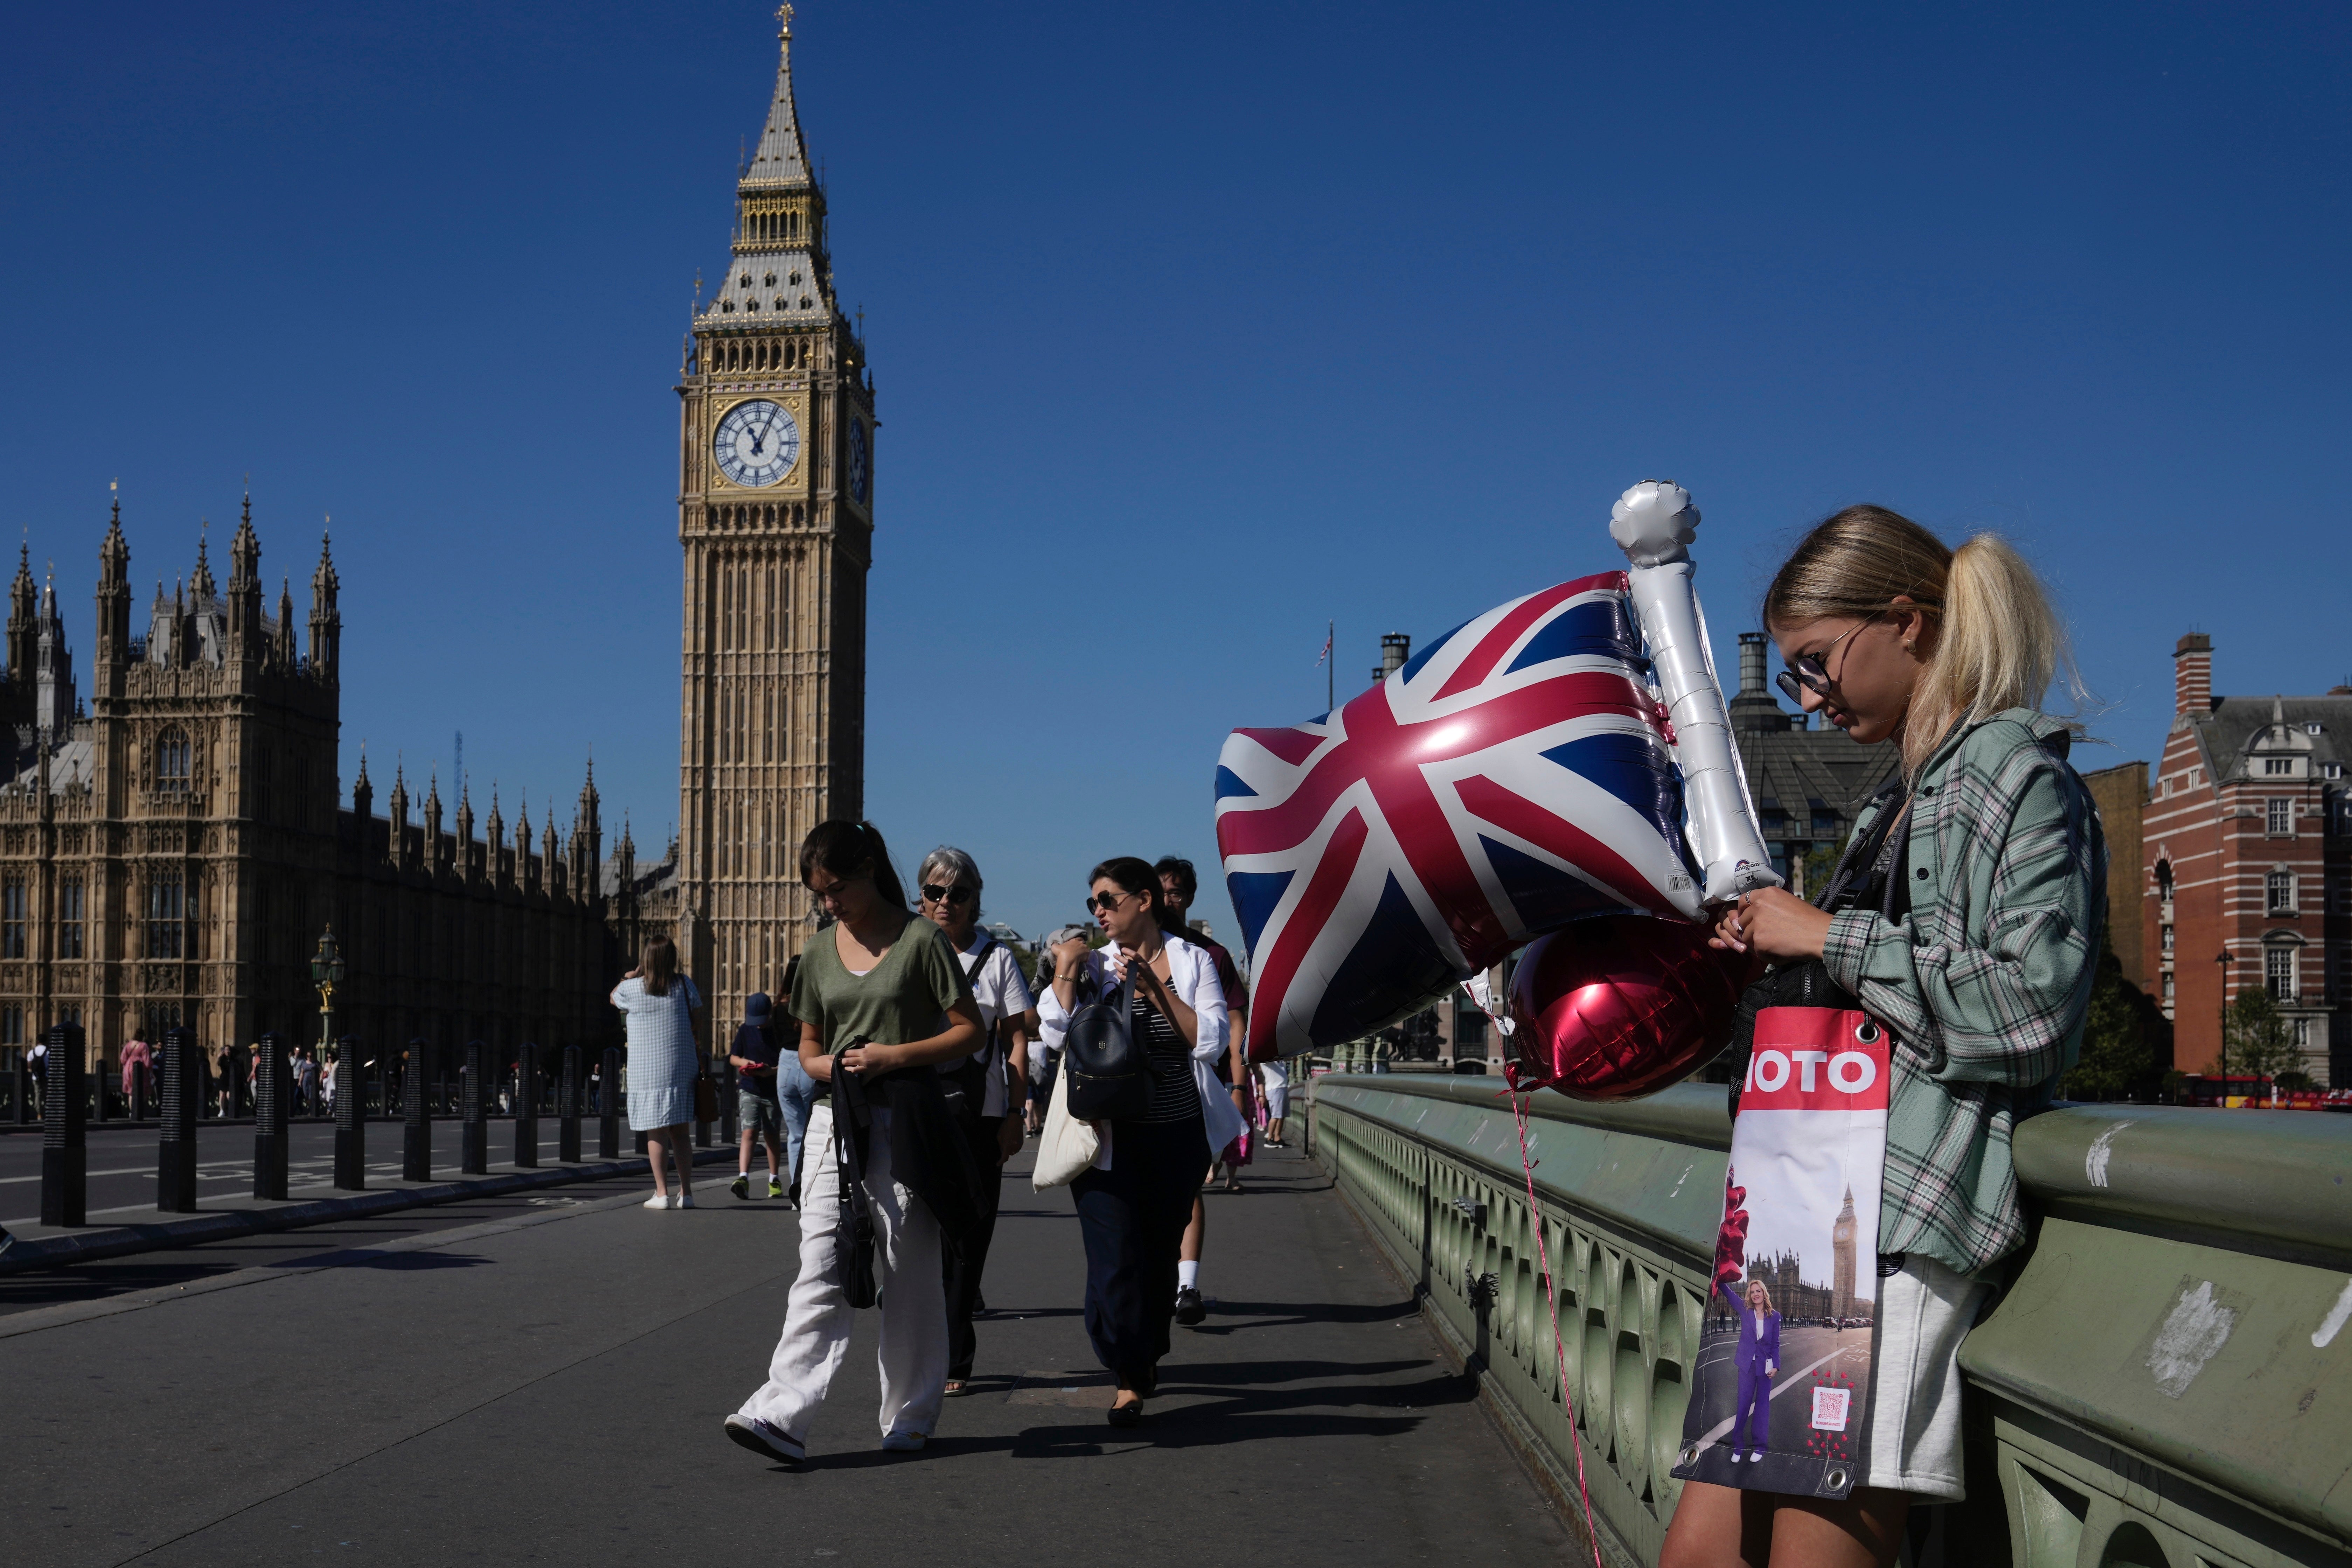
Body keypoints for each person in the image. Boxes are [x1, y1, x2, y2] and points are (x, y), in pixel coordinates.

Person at [1661, 507, 2104, 1568]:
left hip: (1890, 1230)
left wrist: (1828, 932)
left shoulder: (2013, 775)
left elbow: (2032, 1013)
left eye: (1819, 664)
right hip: (1799, 1217)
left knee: (1816, 1551)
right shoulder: (1898, 796)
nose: (1808, 699)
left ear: (1904, 623)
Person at [725, 820, 984, 1464]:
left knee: (907, 1270)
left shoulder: (922, 939)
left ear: (869, 867)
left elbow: (969, 1030)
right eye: (820, 893)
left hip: (906, 1115)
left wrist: (893, 1055)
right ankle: (779, 1410)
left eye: (836, 888)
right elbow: (807, 1048)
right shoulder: (817, 950)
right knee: (820, 1259)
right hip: (834, 1116)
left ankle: (910, 1413)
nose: (828, 903)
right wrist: (835, 1067)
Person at [1040, 857, 1245, 1427]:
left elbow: (1206, 1040)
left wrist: (1156, 989)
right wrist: (1065, 970)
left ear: (1144, 900)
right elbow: (1053, 1034)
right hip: (1107, 1139)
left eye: (1107, 900)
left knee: (1156, 1261)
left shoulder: (1193, 960)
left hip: (1175, 1137)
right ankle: (1127, 1365)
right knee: (1111, 1266)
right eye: (1092, 903)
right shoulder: (1095, 964)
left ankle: (1139, 1365)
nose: (1098, 911)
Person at [916, 845, 1035, 1397]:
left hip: (980, 1115)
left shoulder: (998, 960)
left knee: (968, 1236)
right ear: (922, 896)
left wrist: (1014, 1112)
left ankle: (954, 1356)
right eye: (936, 892)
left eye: (958, 893)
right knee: (916, 1234)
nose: (946, 903)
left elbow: (1016, 1041)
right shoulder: (905, 952)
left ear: (974, 899)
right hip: (918, 1111)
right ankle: (920, 1344)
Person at [1155, 855, 1251, 1323]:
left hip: (1194, 1083)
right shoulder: (1121, 952)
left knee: (1189, 1183)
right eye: (1160, 891)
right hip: (1139, 1088)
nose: (1168, 900)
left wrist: (1237, 1086)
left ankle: (1187, 1284)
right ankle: (1157, 1276)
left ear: (1189, 898)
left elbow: (1236, 1025)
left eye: (1176, 892)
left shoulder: (1209, 955)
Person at [610, 935, 705, 1210]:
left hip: (647, 1071)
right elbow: (697, 1019)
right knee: (681, 1133)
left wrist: (631, 974)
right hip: (681, 1067)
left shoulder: (633, 988)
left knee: (657, 1133)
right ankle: (686, 1193)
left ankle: (662, 1193)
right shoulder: (684, 984)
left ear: (647, 961)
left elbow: (613, 998)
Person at [1025, 928, 1088, 1137]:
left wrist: (1066, 959)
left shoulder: (1098, 970)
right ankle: (1031, 1126)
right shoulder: (1050, 994)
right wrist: (1067, 961)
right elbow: (1057, 1037)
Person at [729, 993, 792, 1202]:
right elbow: (733, 1057)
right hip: (749, 1088)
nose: (757, 1026)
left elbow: (787, 1061)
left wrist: (770, 1072)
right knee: (749, 1133)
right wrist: (744, 1063)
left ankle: (774, 1179)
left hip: (772, 1091)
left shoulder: (778, 1032)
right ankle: (743, 1179)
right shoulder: (745, 1030)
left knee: (772, 1136)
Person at [1729, 1278, 1779, 1465]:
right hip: (1747, 1365)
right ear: (1749, 1295)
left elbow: (1775, 1344)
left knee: (1762, 1408)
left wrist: (1776, 1366)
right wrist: (1718, 1275)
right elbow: (1730, 1296)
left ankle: (1760, 1446)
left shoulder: (1774, 1316)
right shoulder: (1746, 1310)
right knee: (1743, 1405)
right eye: (1752, 1292)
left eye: (1759, 1291)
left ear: (1764, 1293)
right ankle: (1738, 1445)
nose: (1755, 1294)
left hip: (1765, 1366)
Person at [1259, 1057, 1290, 1147]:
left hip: (1283, 1087)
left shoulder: (1279, 1059)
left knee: (1282, 1116)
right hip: (1275, 1089)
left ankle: (1278, 1138)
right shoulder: (1267, 1059)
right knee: (1276, 1116)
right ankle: (1269, 1139)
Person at [120, 1031, 152, 1115]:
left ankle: (133, 1112)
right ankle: (138, 1109)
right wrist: (150, 1068)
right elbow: (147, 1061)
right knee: (143, 1090)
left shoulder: (128, 1045)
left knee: (131, 1092)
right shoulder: (144, 1046)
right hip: (140, 1069)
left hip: (128, 1069)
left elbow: (123, 1059)